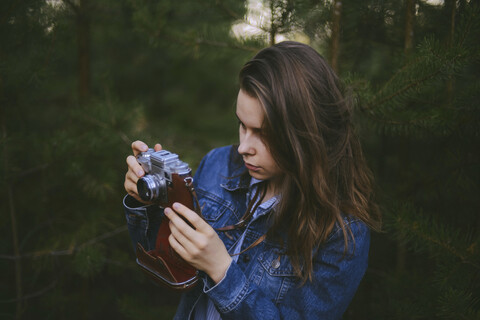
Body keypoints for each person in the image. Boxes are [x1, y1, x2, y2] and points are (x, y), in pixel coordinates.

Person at [123, 41, 381, 319]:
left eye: (262, 132)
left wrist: (222, 270)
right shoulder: (218, 164)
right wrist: (147, 203)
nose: (244, 146)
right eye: (242, 125)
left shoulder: (341, 233)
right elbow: (168, 268)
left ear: (304, 134)